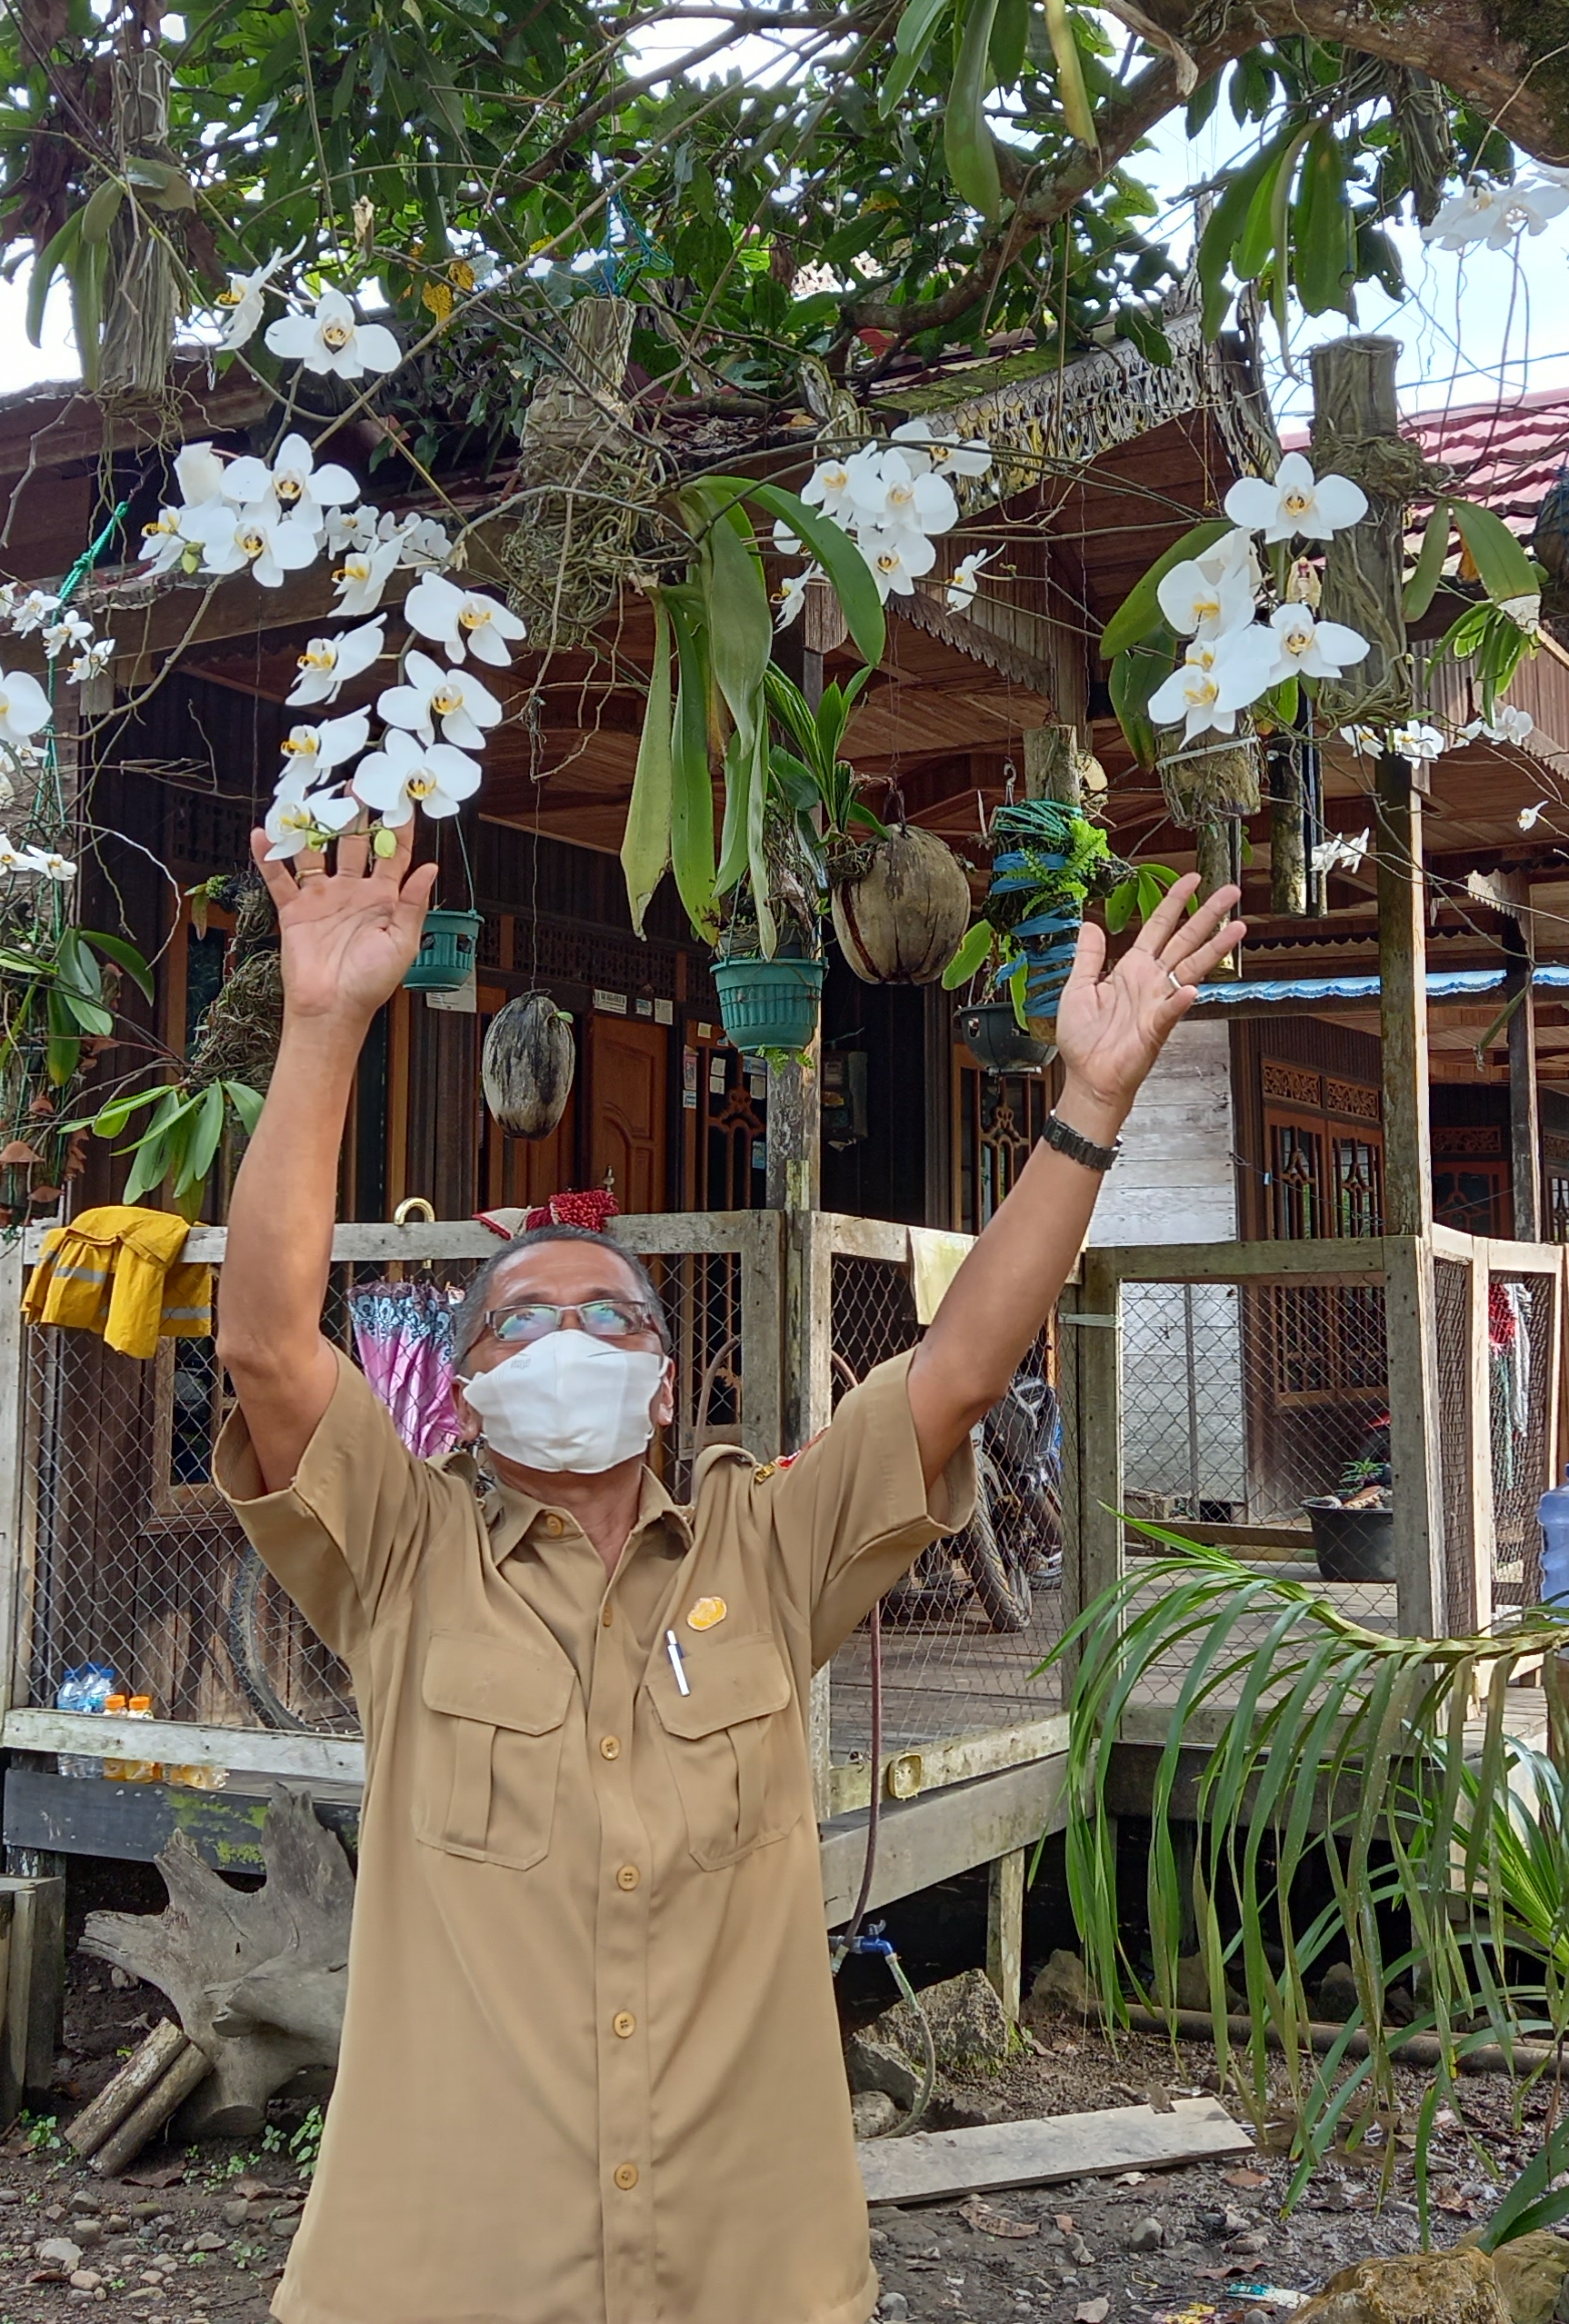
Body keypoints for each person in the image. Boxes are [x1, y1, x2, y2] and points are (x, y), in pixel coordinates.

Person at [215, 815, 1244, 2324]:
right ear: (467, 1386)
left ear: (663, 1385)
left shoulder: (765, 1546)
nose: (567, 1337)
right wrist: (321, 1025)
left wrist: (1090, 1104)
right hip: (445, 2279)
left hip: (749, 2275)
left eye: (610, 1317)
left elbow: (960, 1371)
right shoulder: (404, 1553)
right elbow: (264, 1347)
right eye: (520, 1322)